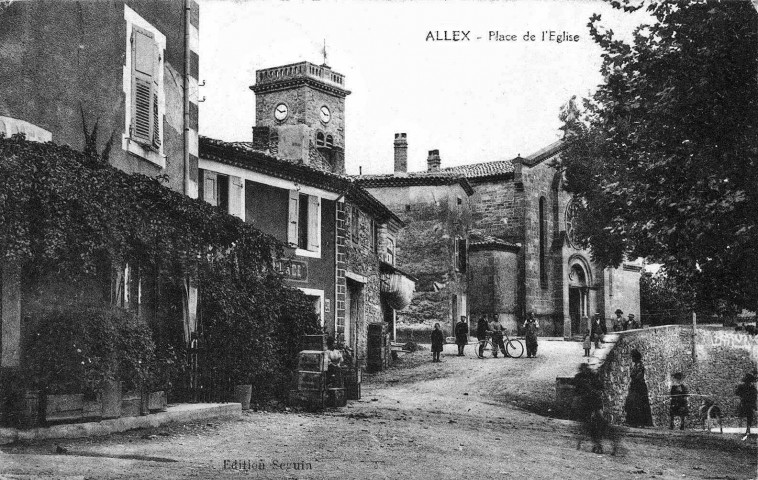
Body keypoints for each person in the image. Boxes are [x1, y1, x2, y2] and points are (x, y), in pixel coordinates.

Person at [624, 349, 653, 427]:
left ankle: (640, 423)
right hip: (635, 385)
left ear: (635, 357)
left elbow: (638, 375)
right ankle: (633, 422)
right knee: (633, 403)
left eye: (633, 357)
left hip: (639, 386)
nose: (632, 359)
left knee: (639, 403)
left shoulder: (640, 365)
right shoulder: (636, 365)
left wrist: (634, 379)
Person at [736, 372, 757, 440]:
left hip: (745, 403)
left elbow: (737, 393)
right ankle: (747, 430)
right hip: (747, 404)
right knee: (748, 417)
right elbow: (754, 395)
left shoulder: (743, 386)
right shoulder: (750, 387)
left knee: (744, 416)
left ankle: (745, 430)